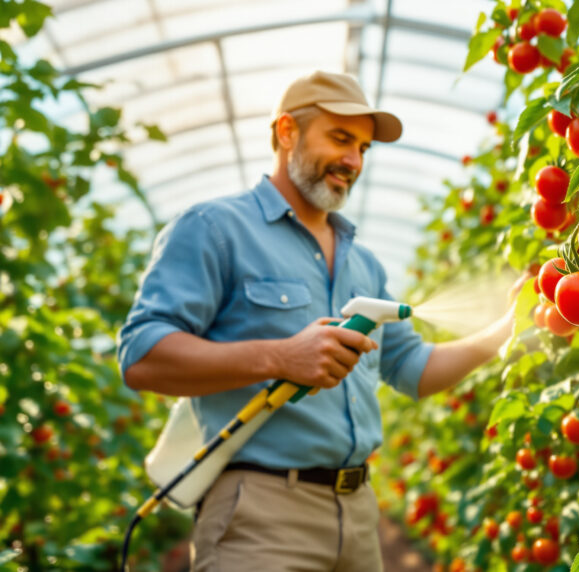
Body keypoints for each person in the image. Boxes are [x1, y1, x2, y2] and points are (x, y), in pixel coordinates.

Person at [117, 70, 520, 571]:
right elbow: (141, 356)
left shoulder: (364, 264)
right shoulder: (215, 229)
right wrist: (282, 356)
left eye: (364, 149)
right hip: (259, 515)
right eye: (340, 138)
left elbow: (413, 369)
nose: (353, 161)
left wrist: (508, 329)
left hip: (358, 517)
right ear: (287, 132)